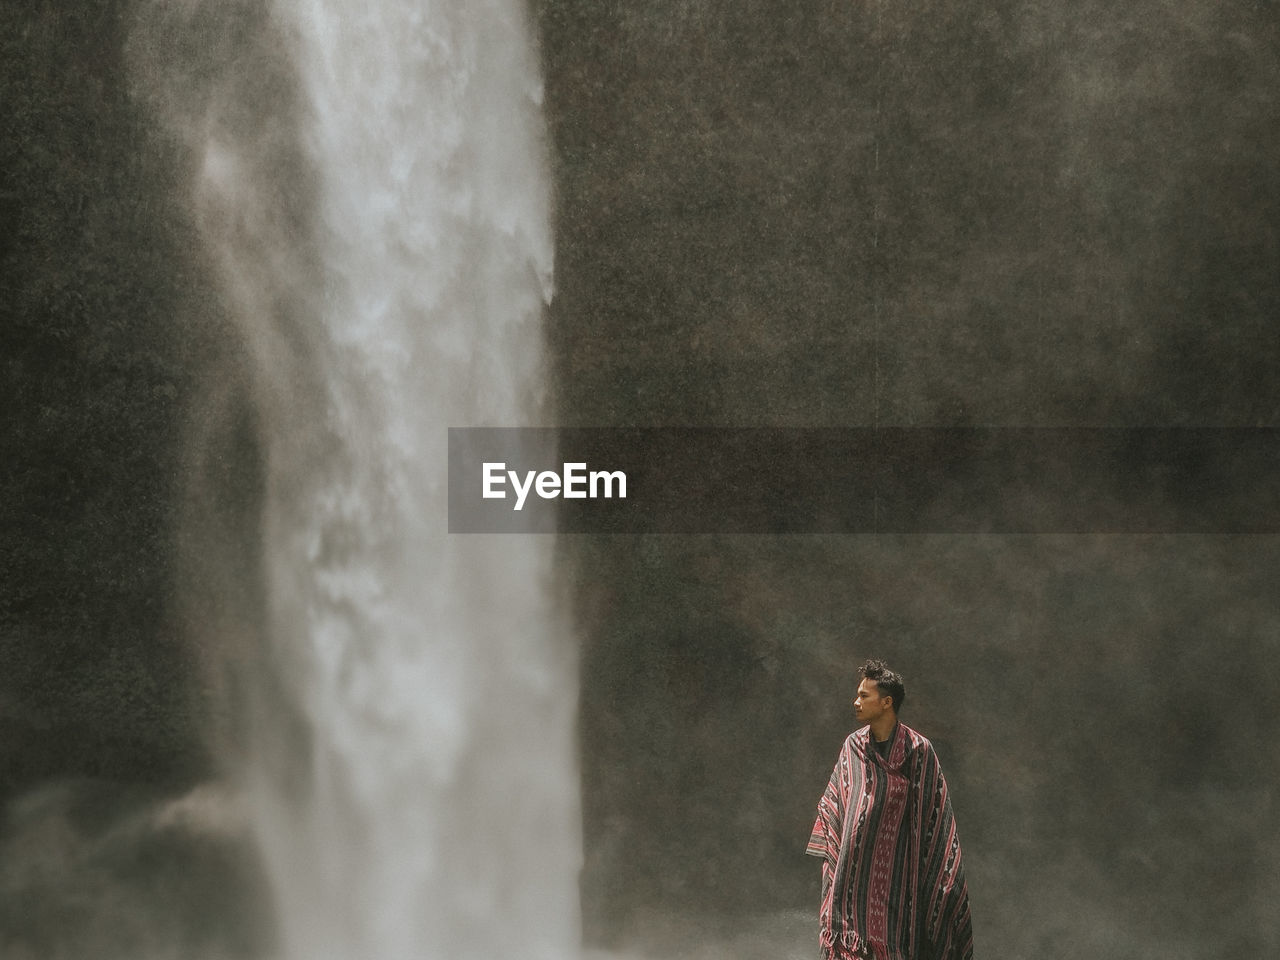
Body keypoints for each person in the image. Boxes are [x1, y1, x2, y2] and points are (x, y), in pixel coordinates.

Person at [806, 659, 974, 960]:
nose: (856, 702)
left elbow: (932, 820)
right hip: (851, 885)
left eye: (864, 696)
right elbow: (835, 803)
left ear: (886, 702)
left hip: (897, 887)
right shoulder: (853, 747)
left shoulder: (918, 751)